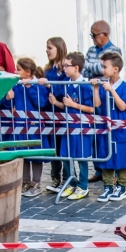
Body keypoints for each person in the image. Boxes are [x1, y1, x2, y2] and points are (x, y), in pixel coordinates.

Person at [83, 21, 122, 183]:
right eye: (91, 34)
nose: (92, 38)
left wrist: (93, 67)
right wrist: (96, 67)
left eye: (94, 34)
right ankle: (99, 169)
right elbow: (84, 70)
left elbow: (101, 70)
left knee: (110, 134)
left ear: (105, 35)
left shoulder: (115, 50)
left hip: (108, 95)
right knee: (96, 134)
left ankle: (113, 170)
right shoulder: (91, 50)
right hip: (94, 93)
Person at [51, 52, 93, 201]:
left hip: (81, 128)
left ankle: (83, 186)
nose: (64, 68)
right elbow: (65, 105)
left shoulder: (86, 85)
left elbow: (92, 108)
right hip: (67, 127)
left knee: (81, 157)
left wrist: (74, 104)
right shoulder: (66, 84)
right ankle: (71, 182)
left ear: (76, 67)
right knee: (66, 155)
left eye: (66, 66)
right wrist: (56, 103)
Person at [92, 52, 126, 202]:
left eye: (105, 66)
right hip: (105, 129)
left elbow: (123, 106)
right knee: (105, 156)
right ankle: (108, 186)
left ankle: (121, 187)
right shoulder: (103, 85)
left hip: (120, 130)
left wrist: (111, 90)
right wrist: (96, 89)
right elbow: (97, 105)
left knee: (122, 158)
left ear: (115, 69)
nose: (102, 69)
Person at [9, 58, 49, 198]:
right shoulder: (16, 85)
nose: (15, 71)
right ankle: (25, 181)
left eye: (18, 69)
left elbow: (41, 103)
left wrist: (30, 88)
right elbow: (11, 104)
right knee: (23, 153)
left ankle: (36, 182)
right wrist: (9, 99)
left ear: (28, 72)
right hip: (20, 125)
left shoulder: (38, 85)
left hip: (35, 126)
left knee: (36, 154)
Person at [41, 37, 69, 194]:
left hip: (64, 113)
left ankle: (67, 178)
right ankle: (55, 178)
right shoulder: (48, 70)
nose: (47, 50)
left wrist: (51, 86)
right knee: (55, 146)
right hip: (51, 114)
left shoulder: (66, 70)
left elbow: (64, 91)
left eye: (50, 47)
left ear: (58, 48)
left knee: (65, 146)